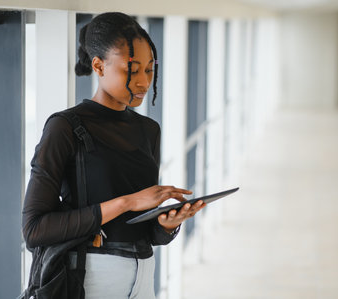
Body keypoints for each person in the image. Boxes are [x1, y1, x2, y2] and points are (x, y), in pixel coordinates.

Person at [22, 11, 205, 299]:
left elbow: (143, 230)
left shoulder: (148, 130)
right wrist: (127, 202)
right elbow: (34, 229)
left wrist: (166, 226)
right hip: (89, 276)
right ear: (98, 65)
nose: (144, 81)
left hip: (144, 274)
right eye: (132, 70)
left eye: (149, 69)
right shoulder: (65, 127)